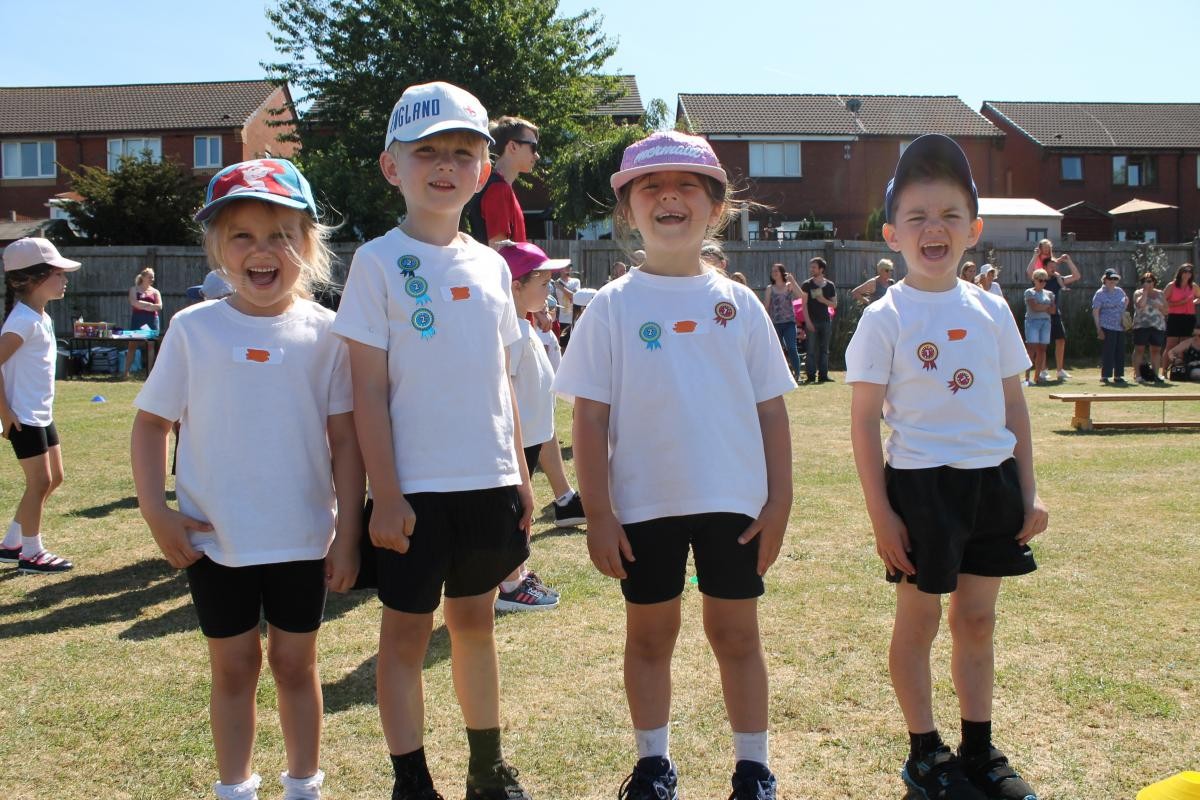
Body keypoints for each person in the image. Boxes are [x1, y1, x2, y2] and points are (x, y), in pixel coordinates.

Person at [554, 130, 796, 800]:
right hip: (641, 505)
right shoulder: (610, 307)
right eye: (650, 187)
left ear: (715, 208)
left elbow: (772, 411)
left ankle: (753, 767)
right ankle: (653, 764)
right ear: (627, 210)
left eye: (686, 185)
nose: (668, 197)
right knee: (651, 636)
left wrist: (780, 502)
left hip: (734, 505)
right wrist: (597, 512)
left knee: (737, 635)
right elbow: (590, 418)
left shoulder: (740, 304)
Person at [130, 158, 363, 800]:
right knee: (233, 668)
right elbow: (151, 425)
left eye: (281, 235)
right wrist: (157, 510)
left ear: (308, 246)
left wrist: (349, 535)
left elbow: (345, 440)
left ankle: (303, 785)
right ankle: (234, 787)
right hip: (214, 540)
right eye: (243, 236)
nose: (263, 252)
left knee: (296, 665)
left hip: (302, 538)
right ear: (217, 248)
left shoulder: (327, 335)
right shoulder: (193, 329)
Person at [331, 81, 535, 800]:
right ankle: (410, 779)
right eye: (427, 153)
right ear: (394, 167)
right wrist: (383, 495)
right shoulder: (377, 262)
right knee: (405, 639)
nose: (445, 166)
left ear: (484, 171)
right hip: (412, 493)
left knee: (475, 626)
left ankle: (488, 767)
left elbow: (503, 378)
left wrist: (521, 474)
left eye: (462, 153)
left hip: (487, 485)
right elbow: (366, 391)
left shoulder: (489, 265)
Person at [846, 134, 1047, 800]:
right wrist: (882, 516)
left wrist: (1028, 492)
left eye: (950, 215)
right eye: (918, 217)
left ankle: (980, 750)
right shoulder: (884, 317)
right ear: (892, 233)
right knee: (921, 620)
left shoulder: (992, 309)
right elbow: (863, 422)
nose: (935, 229)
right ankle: (925, 751)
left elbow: (1014, 406)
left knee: (978, 621)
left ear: (974, 229)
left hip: (989, 484)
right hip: (921, 489)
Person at [495, 242, 572, 613]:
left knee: (519, 513)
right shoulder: (506, 332)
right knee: (512, 512)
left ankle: (519, 573)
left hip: (532, 438)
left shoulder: (525, 326)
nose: (550, 291)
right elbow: (501, 389)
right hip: (514, 442)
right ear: (514, 286)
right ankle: (510, 585)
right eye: (542, 283)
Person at [0, 237, 80, 574]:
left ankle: (10, 544)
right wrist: (6, 413)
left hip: (40, 414)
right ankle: (31, 554)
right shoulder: (22, 322)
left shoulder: (39, 316)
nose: (65, 279)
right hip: (23, 418)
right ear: (34, 279)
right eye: (58, 273)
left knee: (54, 478)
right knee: (39, 483)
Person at [466, 115, 538, 247]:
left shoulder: (499, 186)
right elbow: (500, 251)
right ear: (513, 146)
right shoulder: (498, 189)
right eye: (533, 147)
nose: (537, 155)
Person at [1026, 240, 1080, 381]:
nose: (1053, 269)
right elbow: (1029, 271)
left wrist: (1068, 261)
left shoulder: (1058, 279)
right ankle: (1043, 370)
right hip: (1040, 316)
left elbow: (1076, 276)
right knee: (1041, 345)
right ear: (1044, 267)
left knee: (1061, 340)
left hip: (1055, 314)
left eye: (1054, 267)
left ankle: (1060, 370)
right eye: (1050, 266)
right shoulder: (1039, 279)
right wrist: (1034, 256)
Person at [800, 257, 837, 383]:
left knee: (824, 350)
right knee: (810, 350)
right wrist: (808, 322)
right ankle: (810, 376)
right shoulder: (806, 285)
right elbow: (803, 305)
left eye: (814, 267)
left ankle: (823, 375)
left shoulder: (830, 285)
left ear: (821, 269)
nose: (811, 269)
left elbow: (834, 304)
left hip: (826, 321)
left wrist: (823, 300)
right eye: (811, 267)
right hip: (812, 321)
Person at [763, 263, 801, 379]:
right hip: (775, 323)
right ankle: (780, 375)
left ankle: (797, 374)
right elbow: (766, 306)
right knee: (777, 350)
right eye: (772, 271)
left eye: (776, 271)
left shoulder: (789, 285)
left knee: (791, 347)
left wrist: (793, 281)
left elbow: (801, 295)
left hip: (789, 322)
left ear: (782, 272)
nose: (774, 273)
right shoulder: (770, 288)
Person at [124, 266, 162, 378]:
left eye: (153, 277)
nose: (152, 279)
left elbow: (159, 306)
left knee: (150, 345)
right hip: (138, 320)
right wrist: (150, 306)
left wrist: (143, 305)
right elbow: (133, 302)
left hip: (152, 321)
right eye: (150, 277)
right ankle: (126, 373)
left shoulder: (155, 292)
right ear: (143, 277)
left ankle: (150, 374)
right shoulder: (134, 289)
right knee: (132, 345)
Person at [1093, 268, 1129, 386]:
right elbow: (1096, 312)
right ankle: (1105, 375)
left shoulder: (1119, 291)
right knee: (1109, 351)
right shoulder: (1100, 293)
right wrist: (1099, 328)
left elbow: (1125, 301)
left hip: (1120, 326)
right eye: (1110, 279)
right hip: (1107, 326)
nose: (1112, 281)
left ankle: (1118, 375)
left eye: (1115, 279)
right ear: (1105, 279)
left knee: (1120, 351)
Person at [1131, 271, 1167, 384]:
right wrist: (1145, 292)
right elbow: (1140, 305)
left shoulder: (1160, 294)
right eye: (1145, 281)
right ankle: (1138, 376)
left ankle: (1156, 375)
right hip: (1141, 325)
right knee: (1139, 350)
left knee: (1156, 350)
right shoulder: (1138, 293)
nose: (1147, 283)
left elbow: (1166, 311)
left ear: (1154, 282)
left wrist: (1160, 306)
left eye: (1150, 281)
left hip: (1158, 326)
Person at [1022, 269, 1055, 386]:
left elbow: (1053, 310)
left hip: (1046, 323)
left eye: (1045, 280)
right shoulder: (1029, 292)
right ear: (1034, 280)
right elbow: (1034, 307)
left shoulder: (1050, 294)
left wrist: (1042, 306)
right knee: (1031, 349)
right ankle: (1026, 378)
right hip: (1032, 322)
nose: (1043, 283)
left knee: (1042, 350)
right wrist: (1046, 306)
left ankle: (1037, 377)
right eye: (1040, 280)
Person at [1162, 263, 1199, 360]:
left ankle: (1182, 369)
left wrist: (1193, 302)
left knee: (1184, 344)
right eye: (1185, 271)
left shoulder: (1193, 286)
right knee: (1171, 344)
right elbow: (1162, 301)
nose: (1187, 274)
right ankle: (1164, 372)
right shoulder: (1172, 285)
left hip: (1189, 317)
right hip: (1174, 317)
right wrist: (1181, 302)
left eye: (1190, 272)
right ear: (1180, 272)